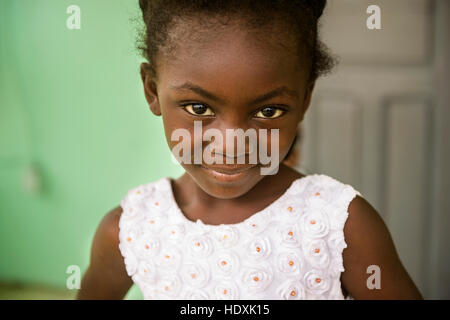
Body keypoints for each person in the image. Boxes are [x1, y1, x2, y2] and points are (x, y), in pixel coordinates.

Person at [76, 0, 422, 300]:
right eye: (198, 109)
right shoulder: (130, 229)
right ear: (152, 90)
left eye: (267, 111)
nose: (232, 144)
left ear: (305, 98)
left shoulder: (341, 226)